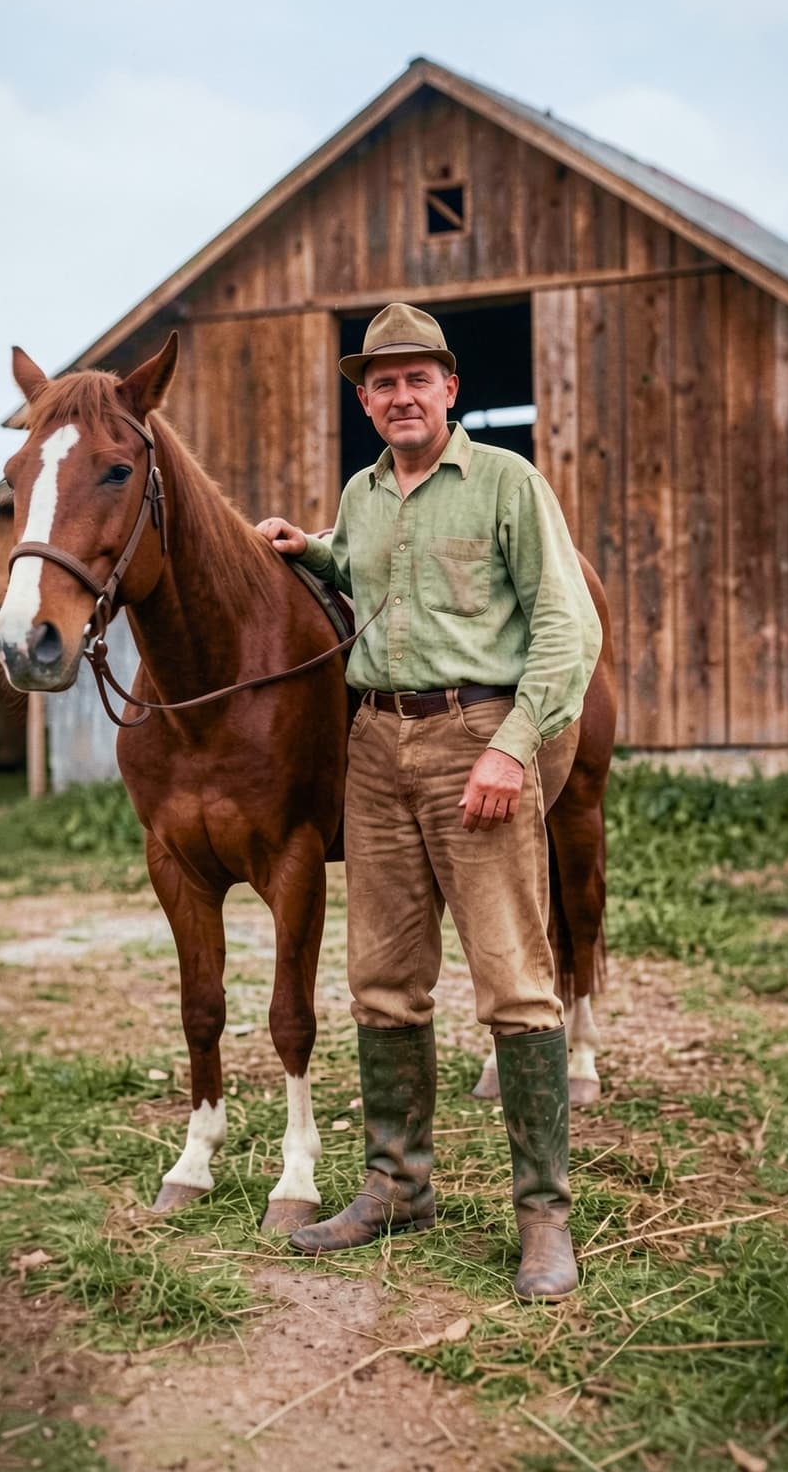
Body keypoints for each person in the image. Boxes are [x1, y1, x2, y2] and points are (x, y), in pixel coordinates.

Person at [255, 303, 602, 1300]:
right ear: (365, 402)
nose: (400, 396)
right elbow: (372, 567)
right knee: (382, 977)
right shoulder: (362, 495)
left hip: (473, 740)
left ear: (449, 389)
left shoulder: (506, 482)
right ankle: (397, 1187)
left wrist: (511, 746)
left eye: (417, 379)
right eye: (382, 383)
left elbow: (566, 624)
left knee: (515, 982)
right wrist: (312, 548)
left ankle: (544, 1218)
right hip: (374, 746)